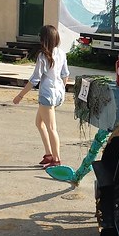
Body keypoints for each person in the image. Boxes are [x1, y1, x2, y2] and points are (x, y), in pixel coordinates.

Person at [13, 24, 69, 166]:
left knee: (51, 128)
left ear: (44, 39)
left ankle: (56, 160)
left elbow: (35, 79)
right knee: (39, 123)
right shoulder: (61, 53)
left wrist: (20, 96)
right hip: (57, 94)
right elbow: (65, 75)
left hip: (47, 94)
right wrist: (61, 89)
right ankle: (48, 154)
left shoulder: (43, 56)